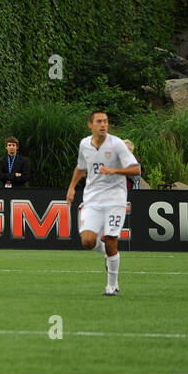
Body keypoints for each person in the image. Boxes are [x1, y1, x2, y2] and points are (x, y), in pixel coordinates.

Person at [66, 110, 139, 296]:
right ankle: (106, 254)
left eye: (105, 121)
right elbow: (81, 167)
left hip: (115, 198)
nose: (103, 125)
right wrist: (72, 187)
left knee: (112, 240)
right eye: (99, 121)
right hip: (92, 198)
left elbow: (135, 169)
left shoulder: (117, 145)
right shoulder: (84, 144)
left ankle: (112, 286)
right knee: (88, 241)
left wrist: (115, 171)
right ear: (90, 125)